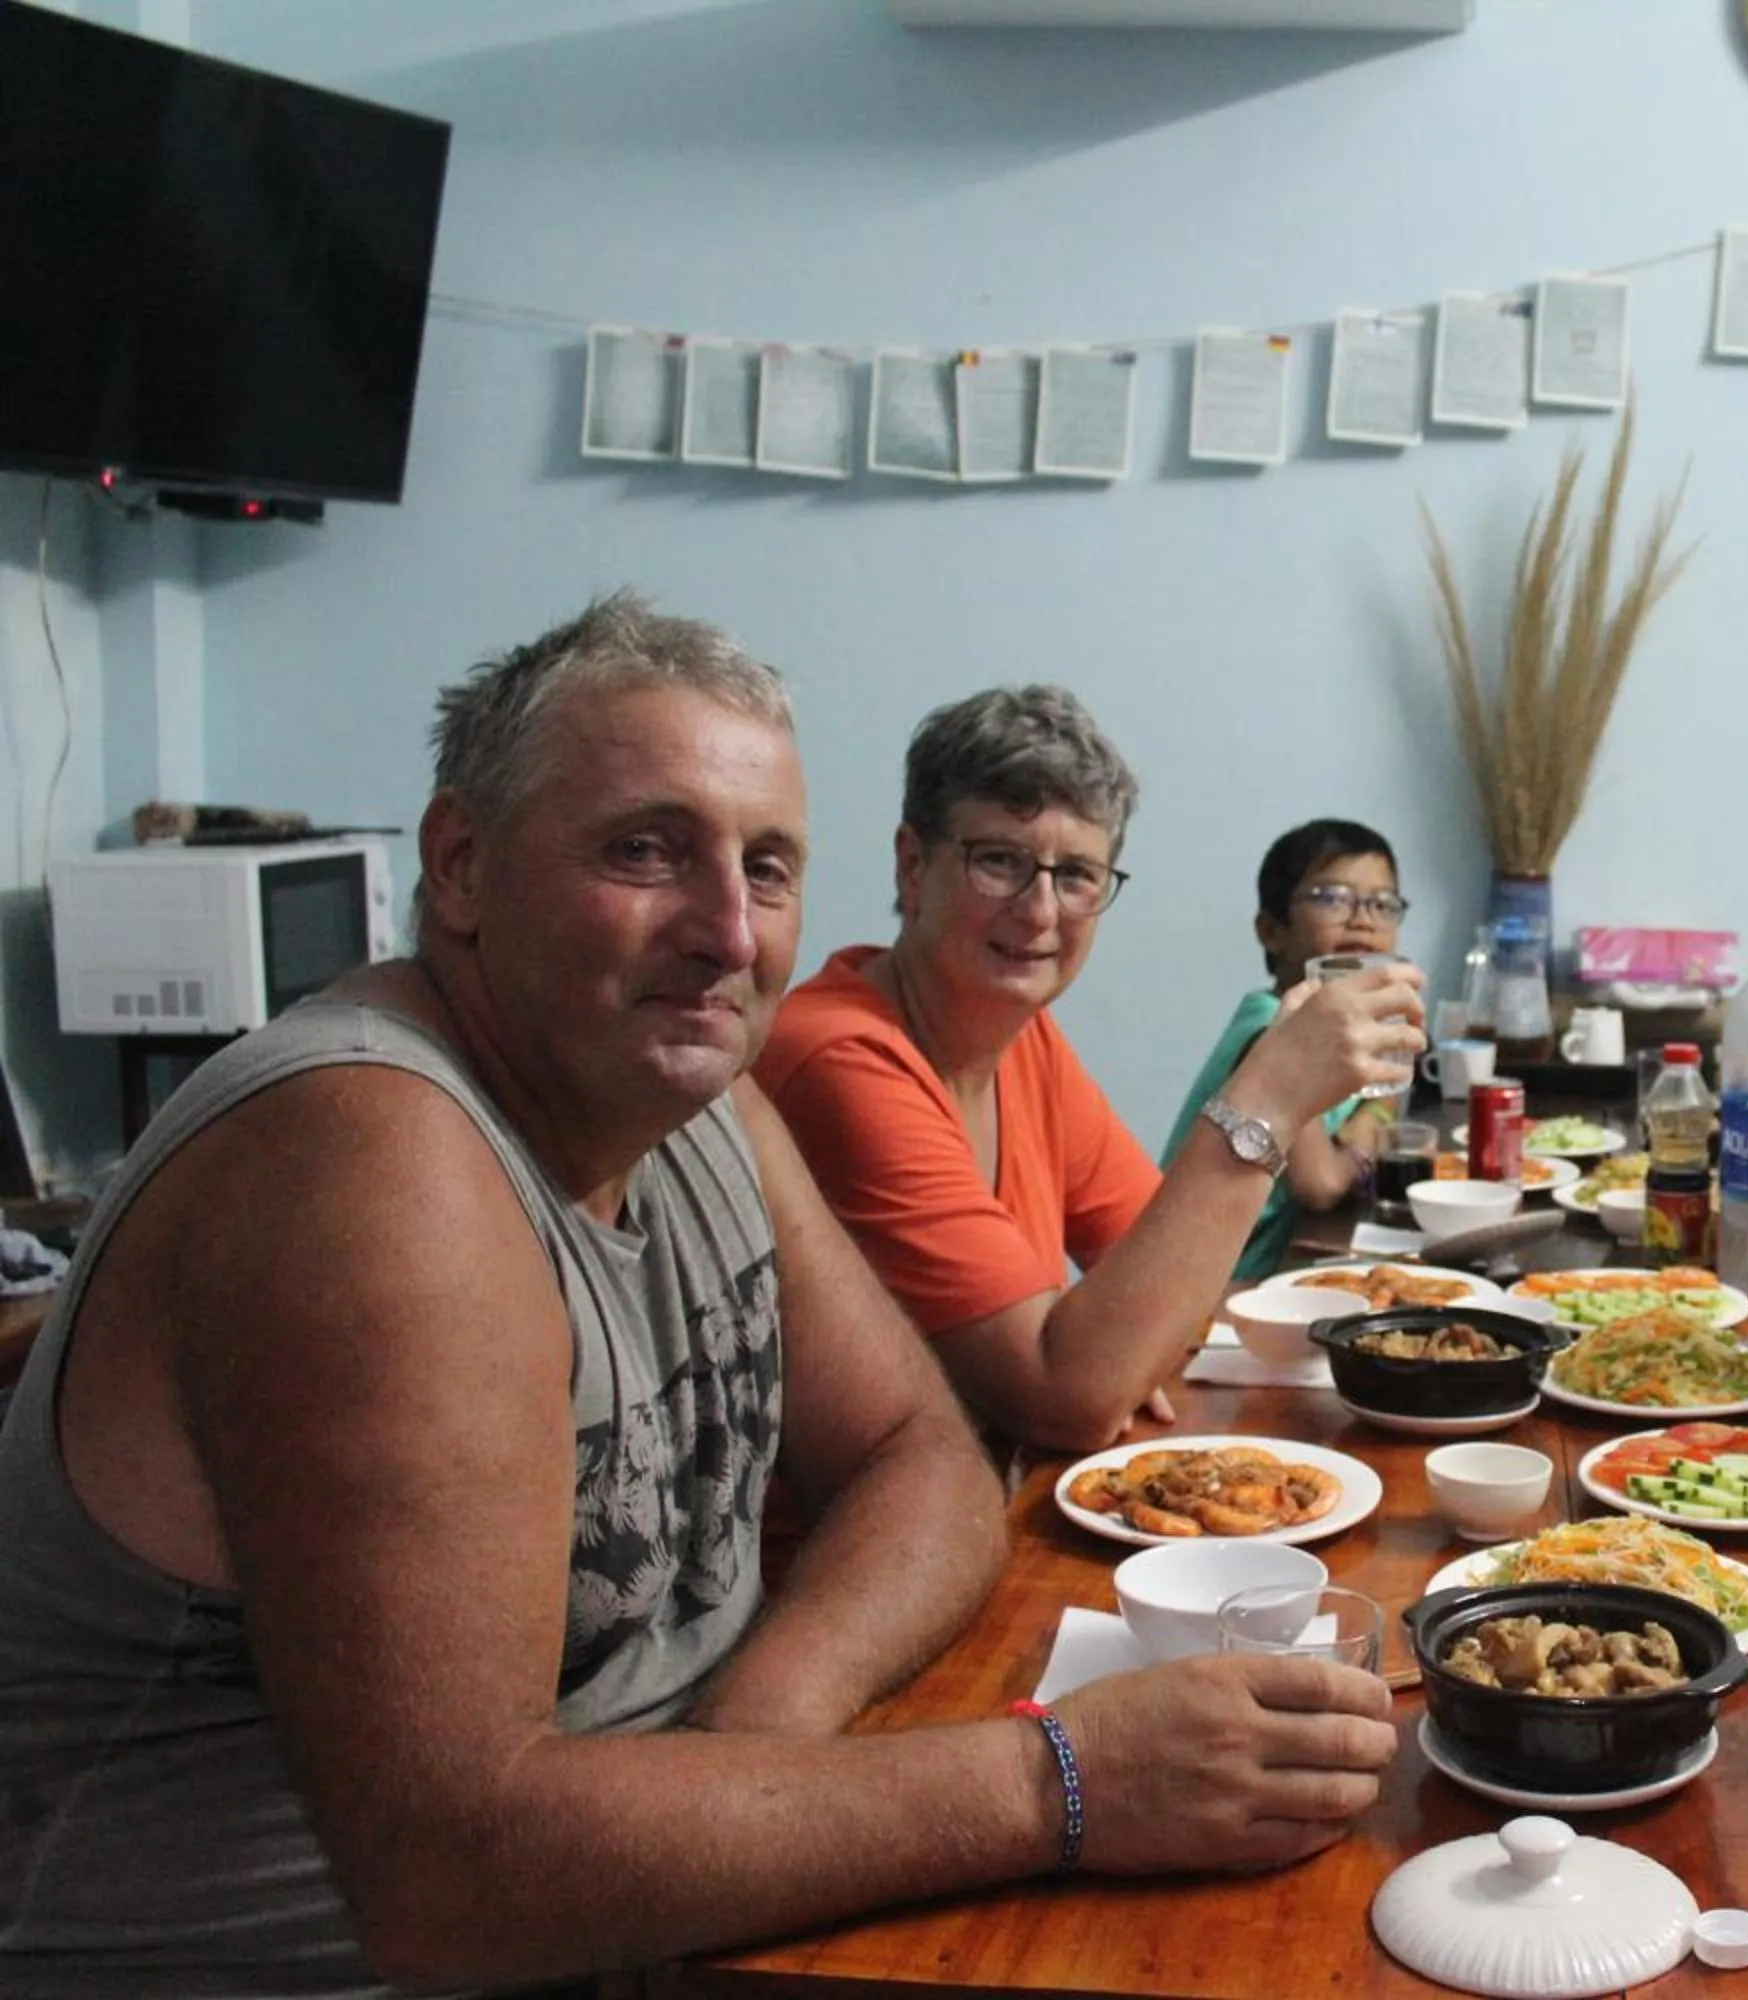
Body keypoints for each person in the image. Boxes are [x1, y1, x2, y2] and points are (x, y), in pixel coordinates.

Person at [0, 596, 1396, 1998]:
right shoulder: (376, 1156)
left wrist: (758, 1739)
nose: (729, 932)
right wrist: (1060, 1785)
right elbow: (450, 1876)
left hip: (685, 1896)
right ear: (463, 865)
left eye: (770, 867)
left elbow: (923, 1460)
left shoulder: (701, 1098)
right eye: (646, 850)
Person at [754, 687, 1421, 1450]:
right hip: (851, 1554)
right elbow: (1067, 1395)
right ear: (912, 866)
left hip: (994, 1505)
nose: (1040, 911)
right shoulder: (840, 1056)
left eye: (1076, 875)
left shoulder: (1023, 1038)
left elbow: (1173, 1299)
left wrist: (1121, 1356)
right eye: (999, 861)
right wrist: (1267, 1096)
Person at [1168, 818, 1407, 1281]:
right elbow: (1321, 1184)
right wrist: (1366, 1137)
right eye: (1331, 898)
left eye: (1383, 904)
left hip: (1283, 1265)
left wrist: (1372, 1118)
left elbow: (1387, 1092)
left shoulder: (1341, 1029)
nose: (1362, 919)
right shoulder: (1274, 1031)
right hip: (1220, 1288)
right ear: (1271, 929)